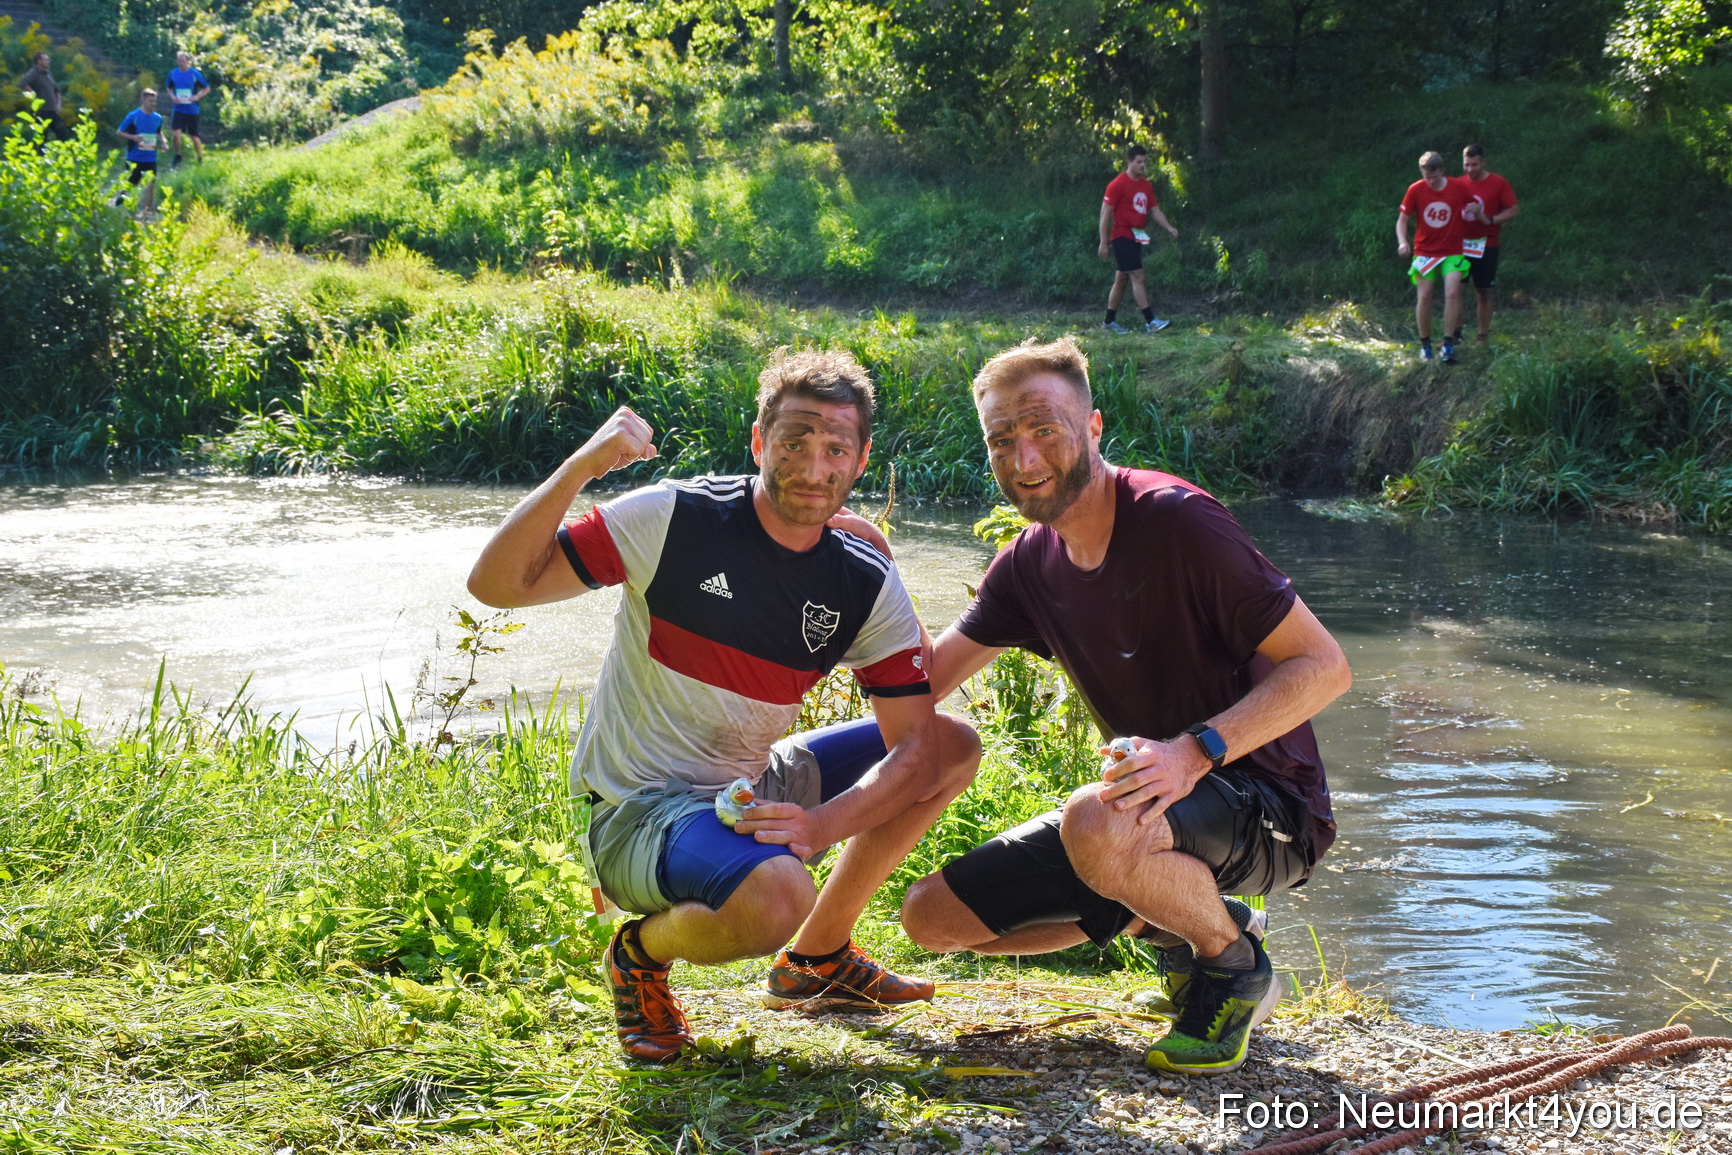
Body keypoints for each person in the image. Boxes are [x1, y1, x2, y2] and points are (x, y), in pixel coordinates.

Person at [467, 350, 981, 1063]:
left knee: (953, 745)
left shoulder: (861, 573)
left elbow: (916, 748)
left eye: (836, 448)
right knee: (776, 895)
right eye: (794, 440)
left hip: (749, 783)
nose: (813, 465)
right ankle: (639, 953)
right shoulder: (674, 518)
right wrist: (584, 463)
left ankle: (817, 959)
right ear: (757, 440)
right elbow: (496, 583)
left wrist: (818, 823)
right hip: (639, 807)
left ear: (860, 461)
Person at [896, 337, 1352, 1076]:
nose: (1024, 457)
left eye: (1044, 428)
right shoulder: (1027, 564)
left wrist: (1194, 750)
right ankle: (1178, 918)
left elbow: (1326, 666)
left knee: (1093, 817)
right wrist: (856, 576)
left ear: (1094, 426)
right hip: (1145, 811)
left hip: (1270, 803)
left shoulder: (1180, 522)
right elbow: (920, 681)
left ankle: (1231, 966)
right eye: (1001, 439)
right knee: (928, 917)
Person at [1396, 150, 1484, 364]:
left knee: (1453, 292)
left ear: (1442, 171)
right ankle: (1425, 345)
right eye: (1428, 177)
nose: (1432, 182)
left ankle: (1448, 344)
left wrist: (1477, 209)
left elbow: (1475, 206)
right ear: (1422, 173)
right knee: (1425, 295)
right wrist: (1403, 241)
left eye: (1435, 177)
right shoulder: (1415, 190)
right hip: (1425, 251)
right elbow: (1402, 221)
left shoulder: (1458, 187)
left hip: (1452, 250)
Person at [1098, 144, 1179, 334]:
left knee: (1122, 278)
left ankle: (1109, 322)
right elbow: (1105, 213)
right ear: (1130, 162)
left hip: (1137, 235)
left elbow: (1154, 210)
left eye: (1145, 162)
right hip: (1122, 235)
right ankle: (1151, 321)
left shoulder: (1145, 185)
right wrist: (1104, 242)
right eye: (1139, 162)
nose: (1143, 165)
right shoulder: (1117, 184)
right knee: (1138, 276)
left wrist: (1169, 227)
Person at [1459, 144, 1519, 345]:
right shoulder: (1457, 184)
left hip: (1487, 244)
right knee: (1455, 289)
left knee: (1483, 291)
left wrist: (1491, 220)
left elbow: (1513, 209)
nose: (1470, 170)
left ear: (1483, 162)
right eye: (1466, 165)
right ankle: (1454, 335)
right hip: (1459, 246)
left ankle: (1482, 335)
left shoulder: (1498, 183)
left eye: (1474, 165)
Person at [115, 89, 164, 217]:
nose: (153, 103)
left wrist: (163, 142)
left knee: (150, 185)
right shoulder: (133, 116)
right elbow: (119, 132)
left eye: (155, 101)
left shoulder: (158, 118)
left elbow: (158, 131)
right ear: (143, 100)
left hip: (150, 158)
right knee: (131, 184)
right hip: (134, 157)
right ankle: (122, 203)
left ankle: (146, 212)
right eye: (150, 101)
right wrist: (133, 137)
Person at [164, 51, 210, 167]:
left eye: (183, 61)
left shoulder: (195, 74)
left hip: (192, 110)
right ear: (177, 62)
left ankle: (200, 158)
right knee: (175, 134)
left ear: (188, 61)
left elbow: (207, 88)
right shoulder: (173, 73)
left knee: (194, 136)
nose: (181, 63)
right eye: (179, 61)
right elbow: (168, 88)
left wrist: (198, 96)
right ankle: (178, 156)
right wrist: (173, 97)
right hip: (178, 109)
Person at [18, 51, 70, 143]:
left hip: (52, 111)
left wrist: (58, 104)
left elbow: (57, 90)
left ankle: (62, 155)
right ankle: (40, 157)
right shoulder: (33, 73)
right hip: (41, 111)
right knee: (42, 138)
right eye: (45, 59)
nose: (48, 61)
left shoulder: (48, 74)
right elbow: (23, 84)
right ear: (39, 61)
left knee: (62, 135)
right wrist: (33, 97)